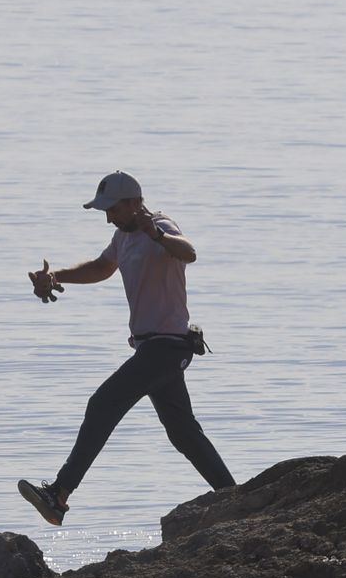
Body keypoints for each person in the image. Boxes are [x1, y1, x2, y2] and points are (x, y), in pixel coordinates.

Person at [17, 171, 235, 526]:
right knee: (183, 432)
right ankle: (233, 496)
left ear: (135, 204)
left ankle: (59, 494)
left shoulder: (160, 226)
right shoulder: (122, 237)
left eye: (113, 209)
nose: (108, 217)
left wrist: (156, 233)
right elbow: (103, 268)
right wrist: (57, 276)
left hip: (167, 347)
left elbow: (189, 253)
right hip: (150, 350)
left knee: (103, 403)